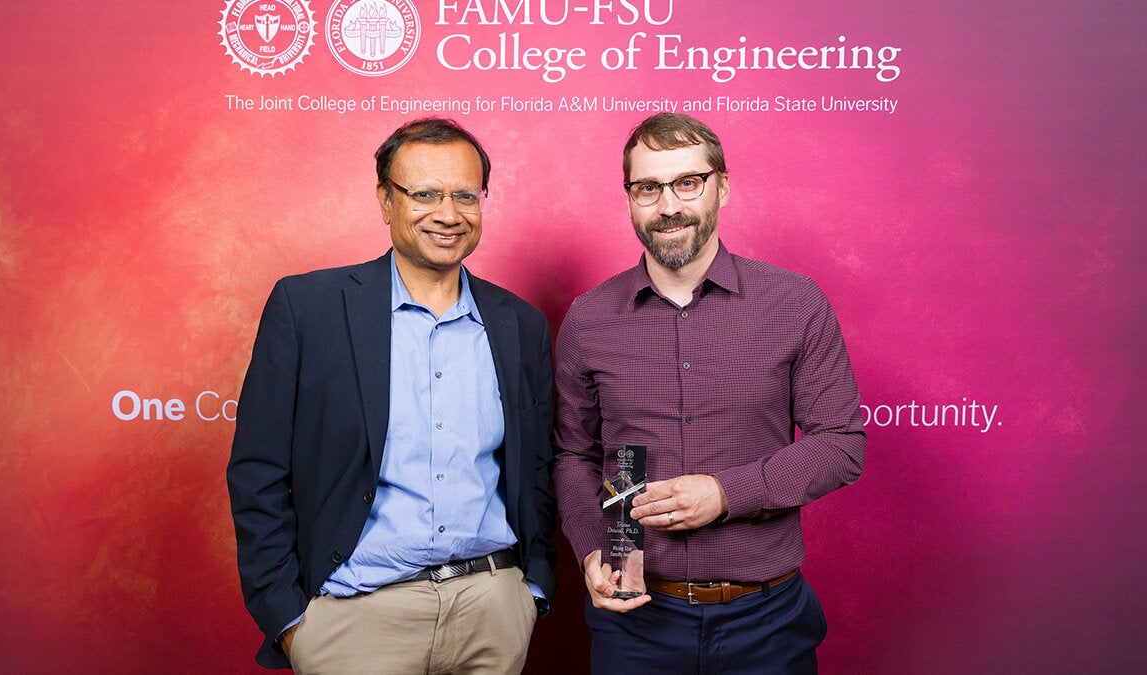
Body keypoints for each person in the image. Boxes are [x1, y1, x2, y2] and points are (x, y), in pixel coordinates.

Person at [228, 118, 557, 672]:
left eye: (465, 195)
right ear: (385, 200)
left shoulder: (519, 323)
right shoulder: (308, 309)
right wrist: (289, 620)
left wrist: (532, 590)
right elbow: (258, 471)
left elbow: (538, 470)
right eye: (425, 194)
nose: (448, 214)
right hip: (355, 617)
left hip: (492, 611)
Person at [552, 113, 866, 673]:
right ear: (629, 198)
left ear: (722, 186)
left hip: (767, 622)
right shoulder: (588, 318)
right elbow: (573, 454)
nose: (668, 205)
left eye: (687, 183)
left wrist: (725, 494)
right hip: (635, 626)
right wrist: (592, 549)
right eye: (648, 187)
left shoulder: (795, 302)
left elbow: (840, 444)